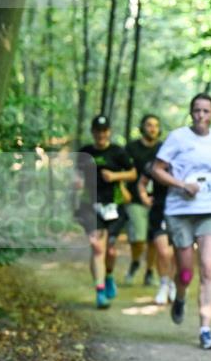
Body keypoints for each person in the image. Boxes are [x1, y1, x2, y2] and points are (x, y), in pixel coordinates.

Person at [150, 93, 211, 350]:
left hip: (210, 210)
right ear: (191, 113)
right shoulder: (178, 138)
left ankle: (205, 329)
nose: (201, 115)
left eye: (206, 111)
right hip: (180, 211)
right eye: (197, 110)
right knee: (186, 271)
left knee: (208, 266)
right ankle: (180, 296)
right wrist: (181, 184)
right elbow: (156, 170)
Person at [75, 115, 137, 309]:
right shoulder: (85, 152)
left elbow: (133, 173)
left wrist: (115, 176)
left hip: (114, 205)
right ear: (93, 132)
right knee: (97, 247)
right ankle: (100, 291)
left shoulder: (118, 152)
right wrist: (76, 181)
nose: (101, 134)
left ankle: (108, 276)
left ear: (109, 132)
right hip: (90, 204)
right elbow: (75, 172)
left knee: (110, 250)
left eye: (104, 131)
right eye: (97, 131)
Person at [123, 114, 162, 286]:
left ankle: (149, 271)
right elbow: (122, 169)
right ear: (142, 127)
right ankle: (135, 261)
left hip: (158, 200)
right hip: (135, 198)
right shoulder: (131, 148)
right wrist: (123, 190)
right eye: (149, 125)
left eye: (155, 125)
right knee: (138, 237)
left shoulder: (163, 148)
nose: (152, 128)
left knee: (154, 238)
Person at [137, 151, 176, 306]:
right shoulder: (152, 166)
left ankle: (173, 282)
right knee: (163, 251)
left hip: (179, 212)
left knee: (177, 251)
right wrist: (144, 197)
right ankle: (164, 283)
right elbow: (142, 183)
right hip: (158, 211)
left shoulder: (182, 163)